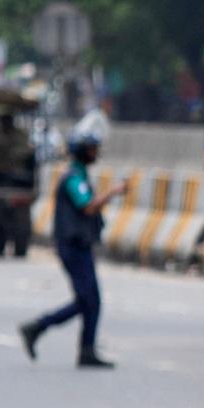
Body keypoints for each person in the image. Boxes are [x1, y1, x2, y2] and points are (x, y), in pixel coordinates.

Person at [20, 128, 127, 368]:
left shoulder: (78, 174)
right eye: (92, 149)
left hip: (79, 245)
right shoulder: (73, 178)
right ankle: (39, 327)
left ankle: (82, 348)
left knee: (90, 300)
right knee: (88, 300)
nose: (96, 153)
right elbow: (87, 206)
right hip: (73, 247)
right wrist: (113, 192)